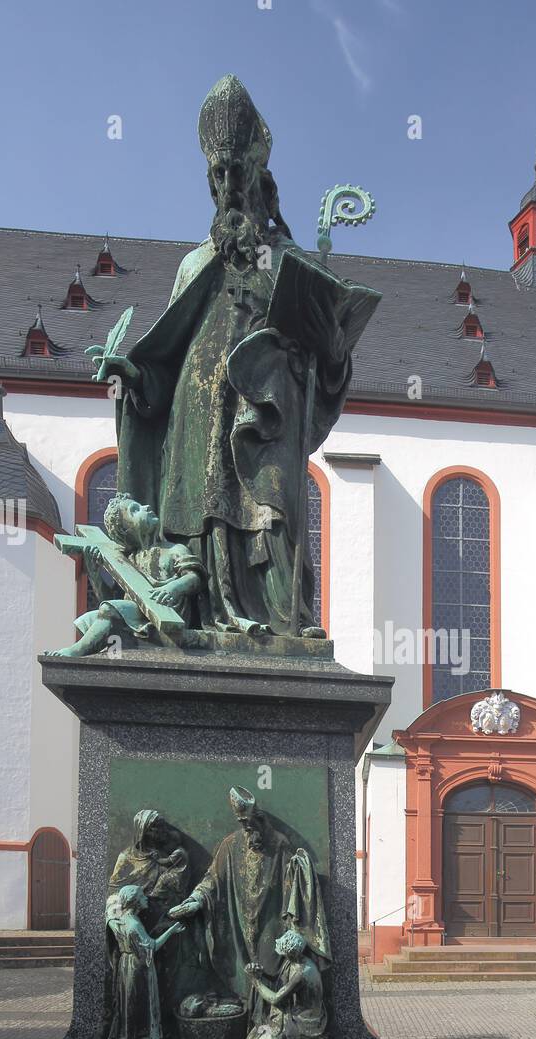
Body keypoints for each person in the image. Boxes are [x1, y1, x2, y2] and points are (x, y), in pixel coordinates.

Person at [93, 75, 352, 635]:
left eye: (238, 171)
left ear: (260, 175)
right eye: (219, 173)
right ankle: (203, 612)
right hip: (196, 414)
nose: (229, 184)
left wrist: (322, 352)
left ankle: (281, 623)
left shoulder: (287, 259)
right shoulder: (193, 265)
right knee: (200, 512)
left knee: (272, 513)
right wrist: (133, 375)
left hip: (266, 412)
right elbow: (162, 370)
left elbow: (326, 360)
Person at [168, 786, 331, 1007]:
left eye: (249, 821)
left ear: (259, 817)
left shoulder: (279, 844)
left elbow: (294, 886)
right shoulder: (230, 846)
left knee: (271, 970)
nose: (247, 828)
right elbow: (212, 879)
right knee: (241, 974)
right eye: (242, 823)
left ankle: (269, 1019)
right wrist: (196, 899)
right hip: (239, 927)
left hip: (271, 924)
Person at [45, 494, 205, 658]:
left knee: (108, 610)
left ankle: (75, 652)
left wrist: (173, 588)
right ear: (125, 530)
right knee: (90, 618)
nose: (146, 507)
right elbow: (108, 600)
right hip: (137, 613)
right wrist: (94, 573)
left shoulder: (174, 550)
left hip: (166, 613)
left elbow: (194, 578)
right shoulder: (127, 560)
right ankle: (83, 651)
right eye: (135, 510)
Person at [104, 885, 185, 1039]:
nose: (146, 898)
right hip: (137, 968)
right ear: (134, 901)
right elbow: (152, 946)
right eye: (142, 896)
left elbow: (109, 917)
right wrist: (172, 930)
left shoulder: (119, 918)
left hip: (126, 965)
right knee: (138, 1007)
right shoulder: (133, 924)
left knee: (126, 1005)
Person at [237, 929, 328, 1039]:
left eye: (283, 953)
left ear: (289, 953)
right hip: (294, 1012)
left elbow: (275, 999)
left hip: (305, 1022)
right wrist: (260, 975)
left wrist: (255, 980)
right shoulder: (294, 961)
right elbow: (280, 985)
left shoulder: (302, 973)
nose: (282, 955)